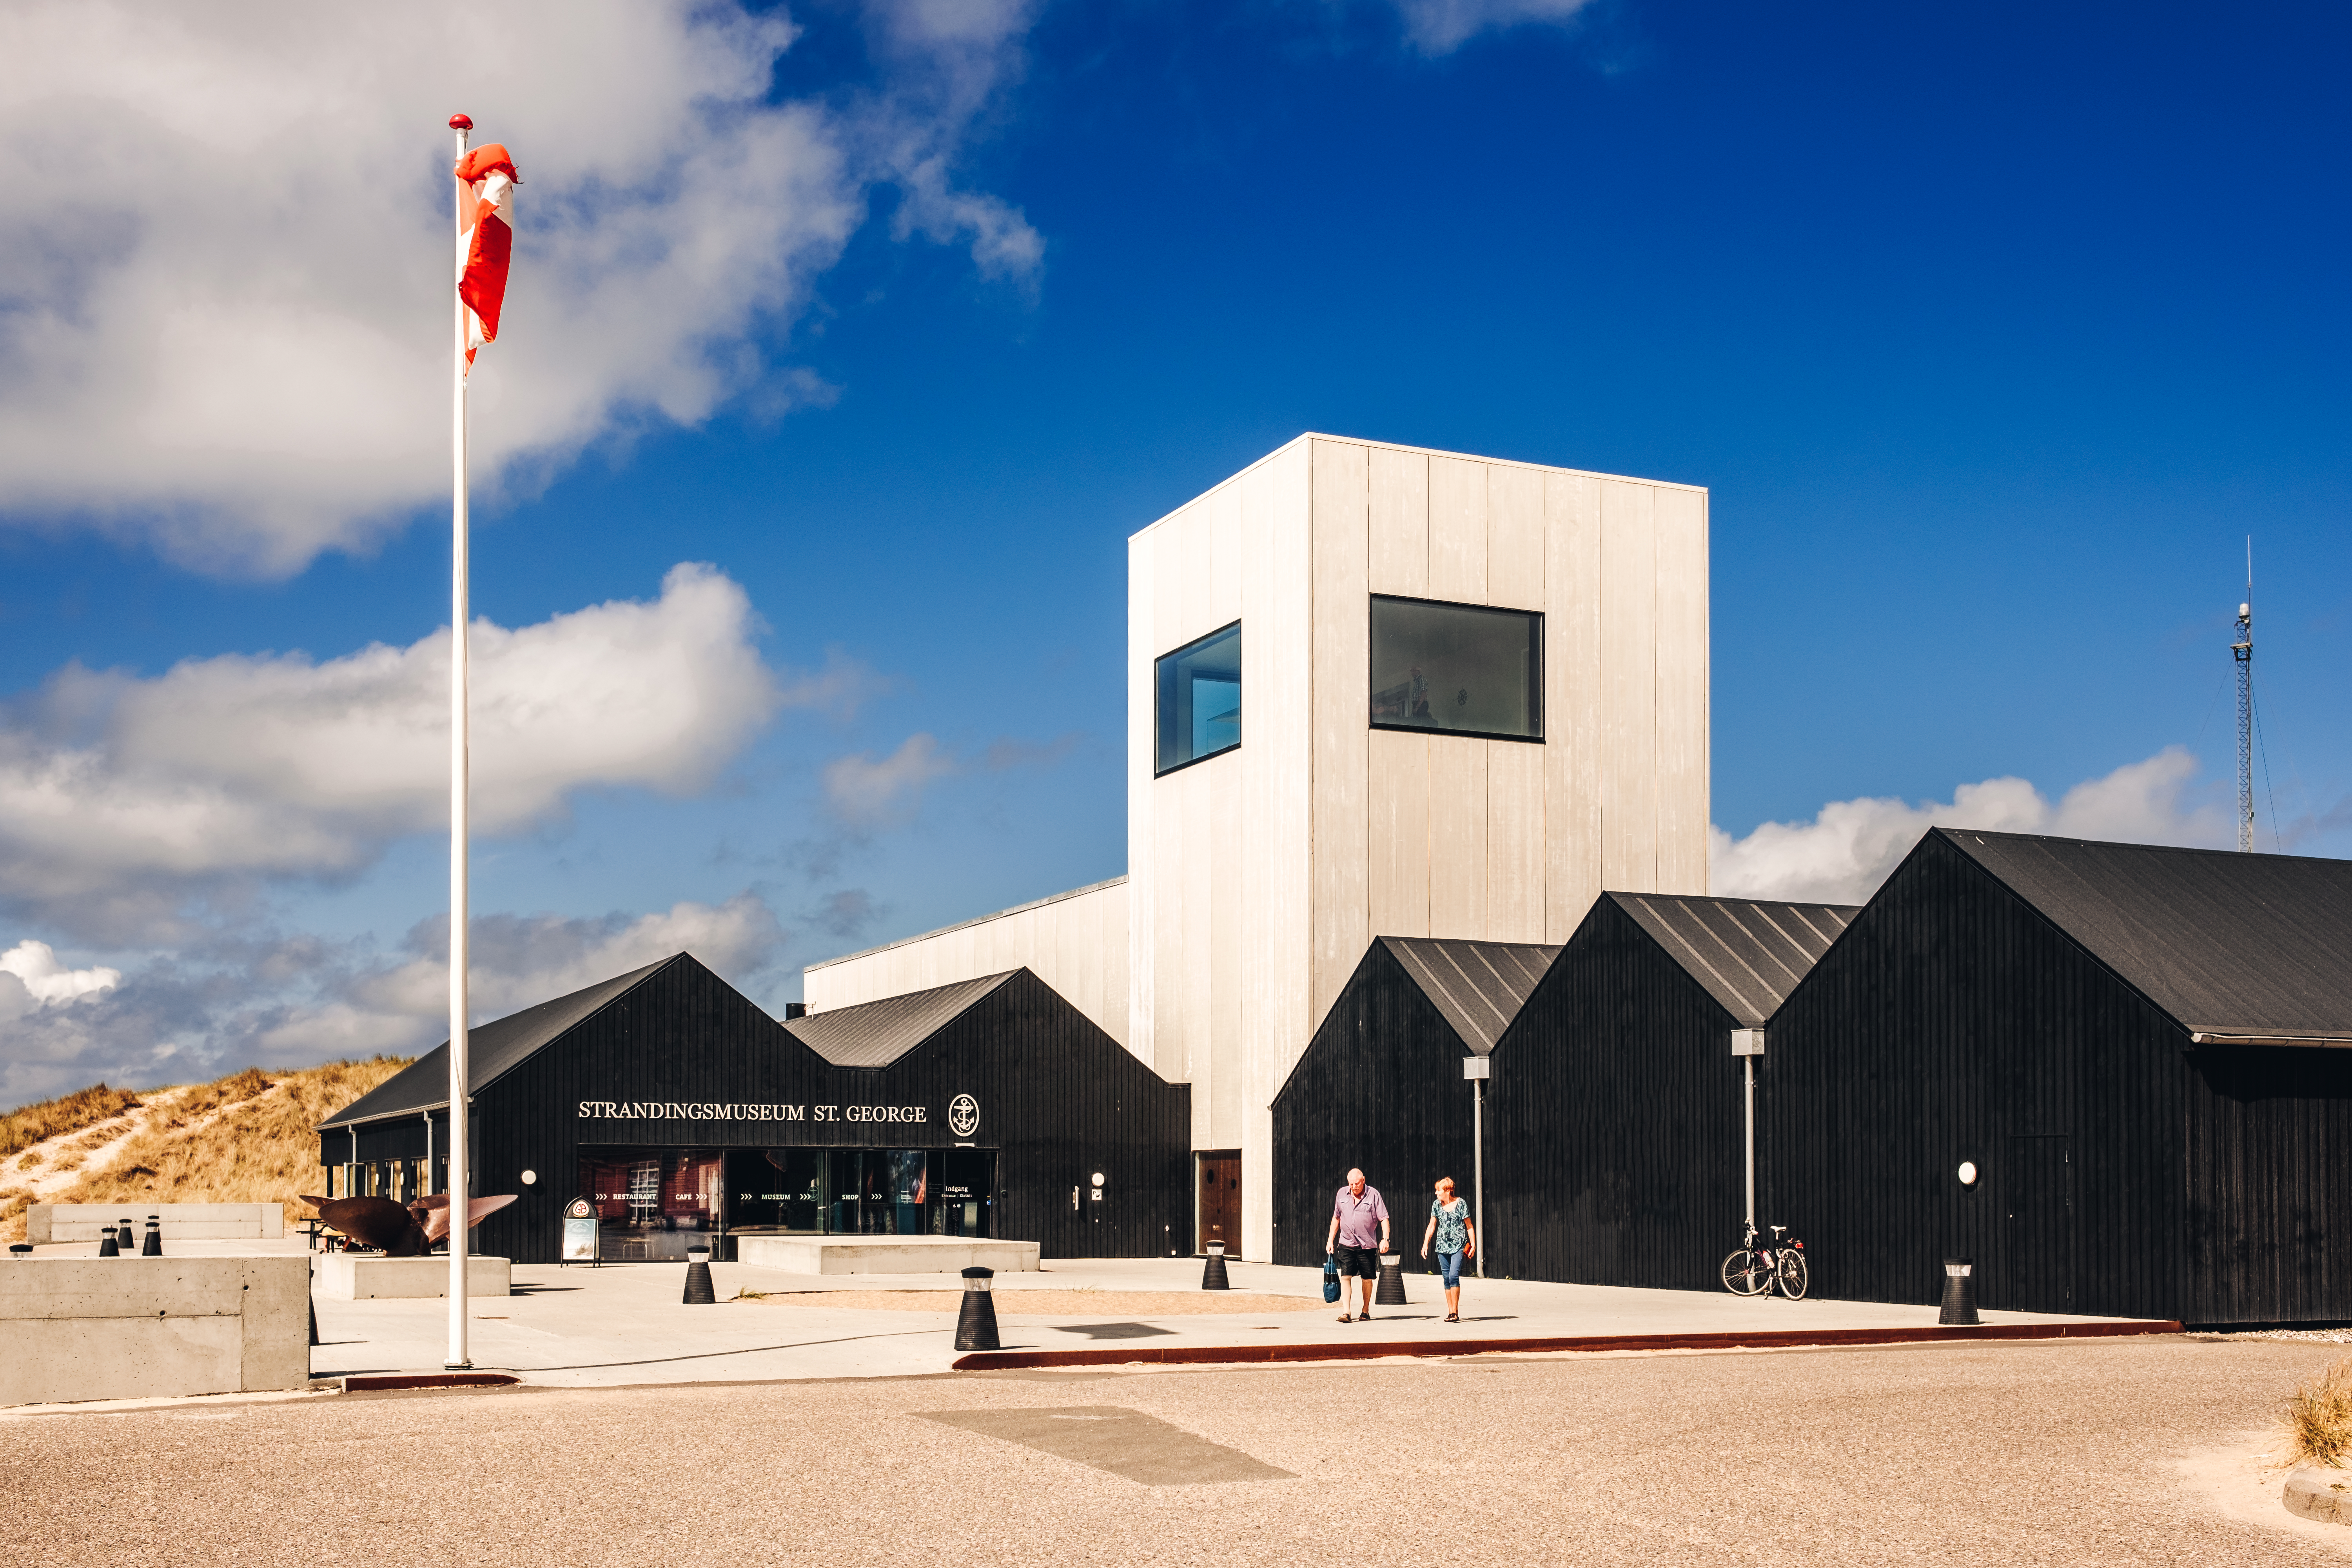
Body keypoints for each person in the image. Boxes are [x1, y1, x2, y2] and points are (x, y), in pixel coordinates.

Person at [1324, 1168, 1390, 1323]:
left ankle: (1365, 1311)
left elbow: (1384, 1219)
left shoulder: (1374, 1195)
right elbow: (1336, 1218)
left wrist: (1385, 1239)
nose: (1354, 1187)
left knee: (1367, 1278)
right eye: (1351, 1184)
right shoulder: (1342, 1194)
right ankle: (1346, 1312)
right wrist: (1330, 1240)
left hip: (1367, 1246)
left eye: (1357, 1184)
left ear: (1364, 1180)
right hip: (1346, 1243)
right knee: (1346, 1276)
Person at [1420, 1176, 1475, 1323]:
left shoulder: (1461, 1204)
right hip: (1442, 1247)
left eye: (1439, 1190)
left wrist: (1473, 1244)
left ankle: (1455, 1312)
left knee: (1453, 1276)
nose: (1436, 1193)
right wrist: (1426, 1243)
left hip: (1458, 1246)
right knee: (1446, 1279)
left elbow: (1469, 1225)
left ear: (1448, 1191)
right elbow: (1432, 1226)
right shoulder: (1437, 1205)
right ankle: (1451, 1312)